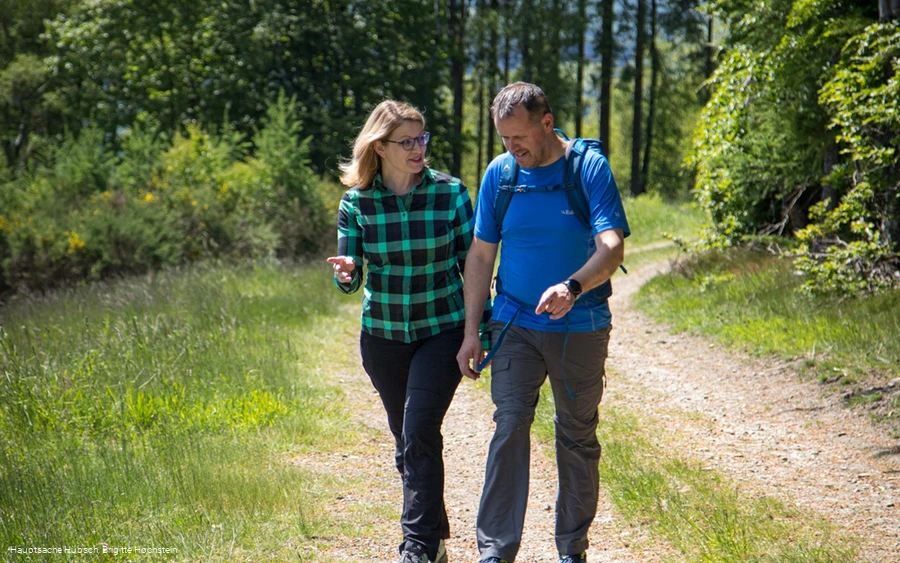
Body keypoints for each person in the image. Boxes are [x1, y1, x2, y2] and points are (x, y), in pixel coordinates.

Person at [456, 82, 629, 563]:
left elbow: (612, 247)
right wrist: (473, 331)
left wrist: (572, 287)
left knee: (576, 434)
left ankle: (571, 548)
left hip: (581, 325)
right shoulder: (502, 174)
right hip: (513, 323)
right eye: (504, 140)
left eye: (519, 137)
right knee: (509, 425)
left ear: (546, 123)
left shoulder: (587, 169)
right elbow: (481, 254)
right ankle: (495, 552)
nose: (512, 148)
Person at [327, 100, 477, 563]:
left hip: (442, 329)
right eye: (406, 141)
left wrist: (479, 329)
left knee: (418, 429)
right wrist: (348, 271)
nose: (418, 149)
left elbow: (474, 264)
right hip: (384, 336)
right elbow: (347, 279)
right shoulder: (357, 202)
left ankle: (418, 547)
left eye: (422, 138)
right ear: (381, 147)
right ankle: (435, 529)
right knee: (406, 438)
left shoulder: (451, 195)